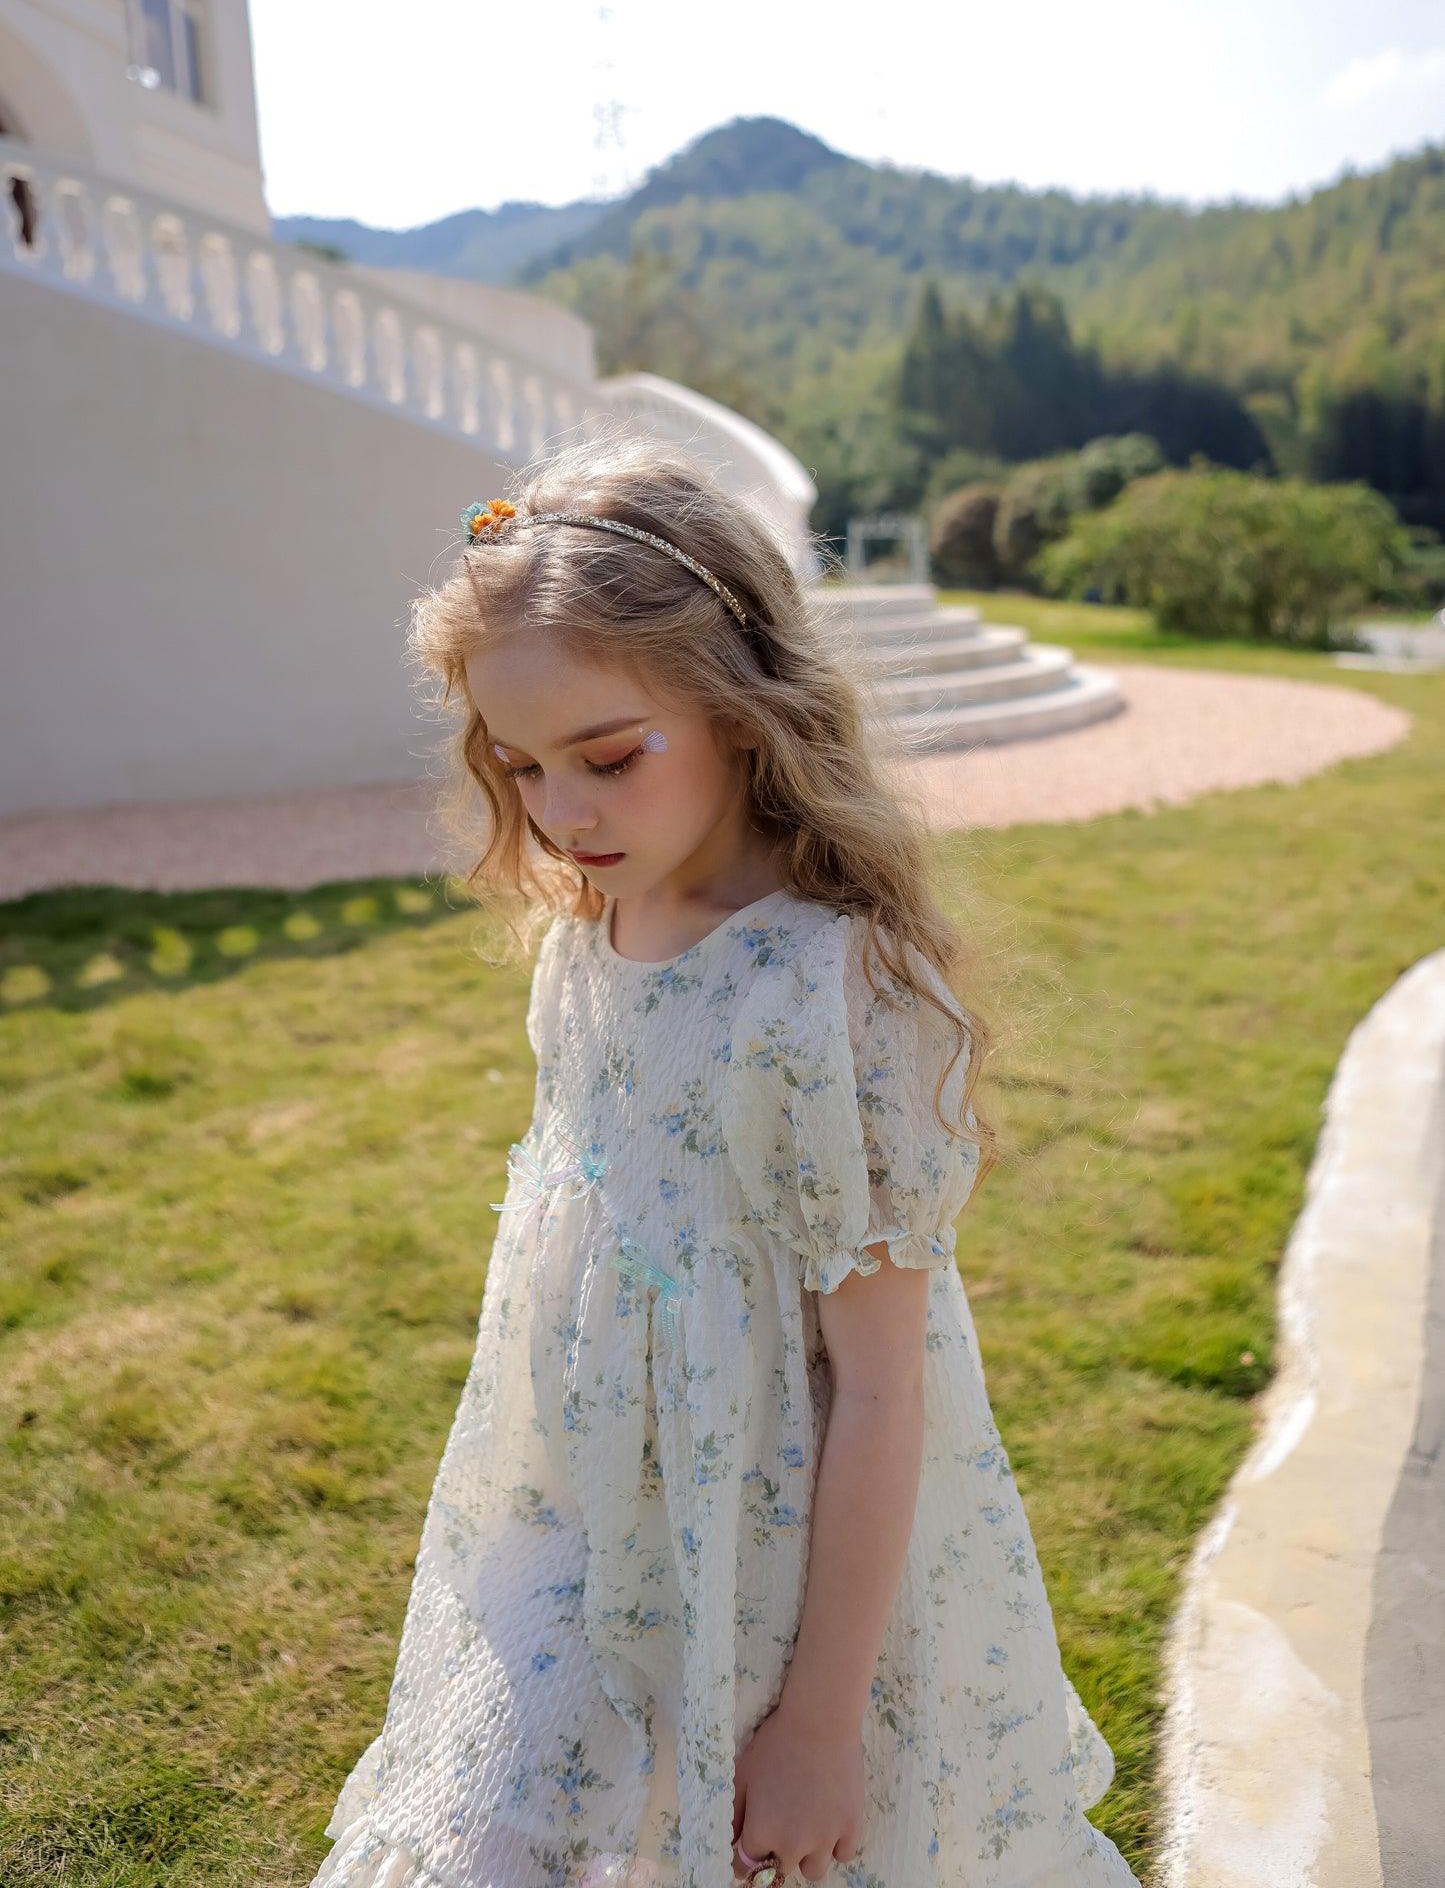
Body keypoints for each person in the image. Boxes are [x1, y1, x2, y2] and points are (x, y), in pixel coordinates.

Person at [312, 440, 1138, 1888]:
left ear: (742, 713)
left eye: (609, 757)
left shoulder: (833, 997)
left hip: (775, 1569)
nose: (562, 813)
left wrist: (818, 1723)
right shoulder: (584, 943)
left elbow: (885, 1385)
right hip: (578, 1526)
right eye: (521, 765)